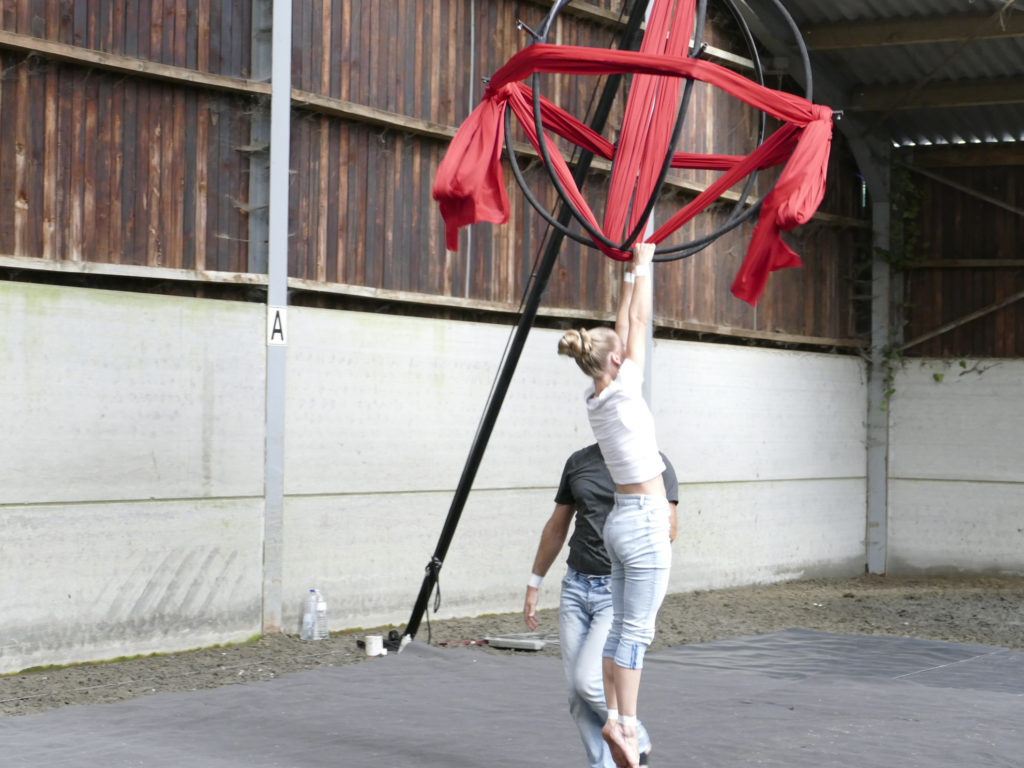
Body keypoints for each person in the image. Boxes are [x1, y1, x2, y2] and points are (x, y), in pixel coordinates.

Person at [556, 242, 670, 768]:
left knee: (622, 627)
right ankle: (625, 725)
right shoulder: (624, 391)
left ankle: (619, 718)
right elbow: (638, 321)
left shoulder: (598, 397)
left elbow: (625, 324)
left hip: (620, 524)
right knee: (636, 633)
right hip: (643, 524)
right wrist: (643, 264)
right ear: (616, 359)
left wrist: (631, 273)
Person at [524, 443, 678, 768]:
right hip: (575, 587)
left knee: (588, 681)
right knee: (576, 696)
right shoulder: (578, 461)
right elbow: (557, 526)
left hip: (615, 590)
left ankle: (637, 739)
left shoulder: (653, 462)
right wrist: (534, 583)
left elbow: (668, 529)